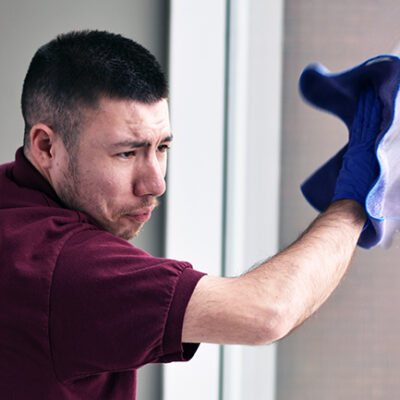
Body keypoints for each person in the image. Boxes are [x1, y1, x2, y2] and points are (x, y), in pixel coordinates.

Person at [0, 30, 380, 399]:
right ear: (46, 146)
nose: (155, 183)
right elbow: (268, 312)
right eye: (126, 154)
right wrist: (353, 200)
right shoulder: (62, 264)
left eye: (161, 147)